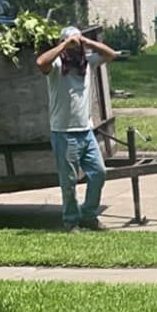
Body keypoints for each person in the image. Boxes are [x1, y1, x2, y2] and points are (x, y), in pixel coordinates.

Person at [36, 26, 120, 231]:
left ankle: (89, 215)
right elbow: (41, 62)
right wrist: (65, 44)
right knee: (69, 182)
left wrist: (87, 42)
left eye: (77, 46)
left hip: (86, 131)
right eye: (73, 46)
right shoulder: (56, 65)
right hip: (64, 133)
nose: (76, 50)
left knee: (98, 172)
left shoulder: (88, 63)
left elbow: (110, 54)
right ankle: (71, 221)